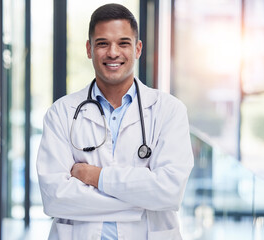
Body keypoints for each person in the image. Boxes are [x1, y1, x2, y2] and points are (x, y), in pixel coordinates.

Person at [37, 3, 194, 240]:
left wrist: (94, 176)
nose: (113, 52)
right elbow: (55, 198)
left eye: (123, 43)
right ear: (89, 49)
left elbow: (169, 192)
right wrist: (139, 201)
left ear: (138, 48)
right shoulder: (61, 113)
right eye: (102, 43)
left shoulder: (169, 111)